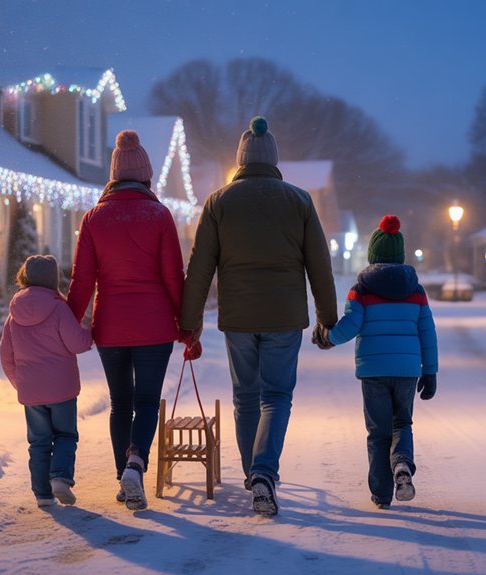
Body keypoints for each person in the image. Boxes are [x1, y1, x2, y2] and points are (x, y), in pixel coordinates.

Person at [180, 116, 338, 516]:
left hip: (239, 318)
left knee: (245, 398)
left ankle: (255, 476)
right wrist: (327, 316)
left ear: (241, 159)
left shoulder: (218, 202)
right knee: (277, 396)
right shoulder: (299, 201)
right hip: (285, 316)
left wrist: (190, 319)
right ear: (273, 158)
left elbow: (200, 265)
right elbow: (319, 263)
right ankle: (265, 474)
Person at [67, 130, 188, 511]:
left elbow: (82, 278)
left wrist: (68, 322)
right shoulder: (159, 215)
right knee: (148, 400)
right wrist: (186, 323)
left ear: (114, 176)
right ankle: (136, 464)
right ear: (147, 177)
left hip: (112, 326)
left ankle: (125, 474)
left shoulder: (93, 219)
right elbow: (174, 275)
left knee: (121, 403)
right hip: (154, 327)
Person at [312, 215, 438, 509]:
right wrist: (430, 371)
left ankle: (381, 494)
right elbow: (427, 332)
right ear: (400, 253)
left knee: (378, 431)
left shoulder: (362, 289)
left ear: (373, 254)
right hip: (407, 371)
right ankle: (403, 464)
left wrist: (328, 336)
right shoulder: (416, 291)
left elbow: (351, 325)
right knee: (402, 423)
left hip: (373, 371)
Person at [0, 254, 93, 508]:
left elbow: (6, 355)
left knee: (38, 442)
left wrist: (21, 383)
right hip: (62, 390)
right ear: (54, 281)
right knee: (65, 435)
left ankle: (42, 494)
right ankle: (60, 478)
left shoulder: (14, 314)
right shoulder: (59, 308)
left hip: (31, 392)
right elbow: (77, 343)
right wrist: (91, 332)